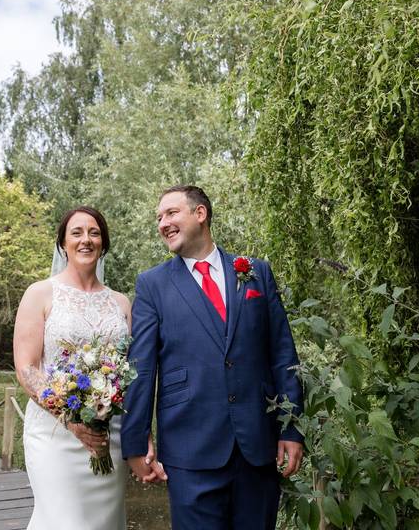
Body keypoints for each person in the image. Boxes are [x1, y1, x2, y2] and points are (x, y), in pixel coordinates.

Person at [121, 185, 304, 530]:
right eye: (158, 218)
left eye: (171, 213)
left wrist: (291, 429)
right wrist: (135, 441)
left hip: (257, 446)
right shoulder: (152, 285)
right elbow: (140, 368)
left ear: (200, 214)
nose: (162, 223)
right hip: (190, 448)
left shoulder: (255, 272)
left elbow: (283, 353)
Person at [14, 206, 159, 529]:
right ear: (63, 244)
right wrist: (69, 417)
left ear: (103, 244)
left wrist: (139, 432)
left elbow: (131, 371)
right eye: (76, 233)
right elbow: (27, 368)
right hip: (55, 433)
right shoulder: (39, 294)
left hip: (110, 433)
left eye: (94, 233)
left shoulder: (121, 302)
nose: (86, 240)